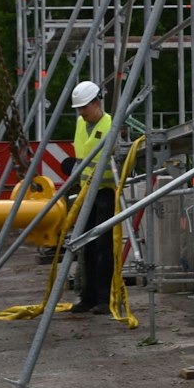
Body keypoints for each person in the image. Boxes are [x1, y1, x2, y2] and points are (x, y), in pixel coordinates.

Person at [69, 80, 118, 315]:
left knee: (103, 246)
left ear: (96, 103)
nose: (81, 113)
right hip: (86, 192)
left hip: (105, 192)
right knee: (85, 244)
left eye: (84, 108)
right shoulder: (81, 124)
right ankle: (87, 297)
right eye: (79, 109)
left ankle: (104, 298)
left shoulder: (111, 124)